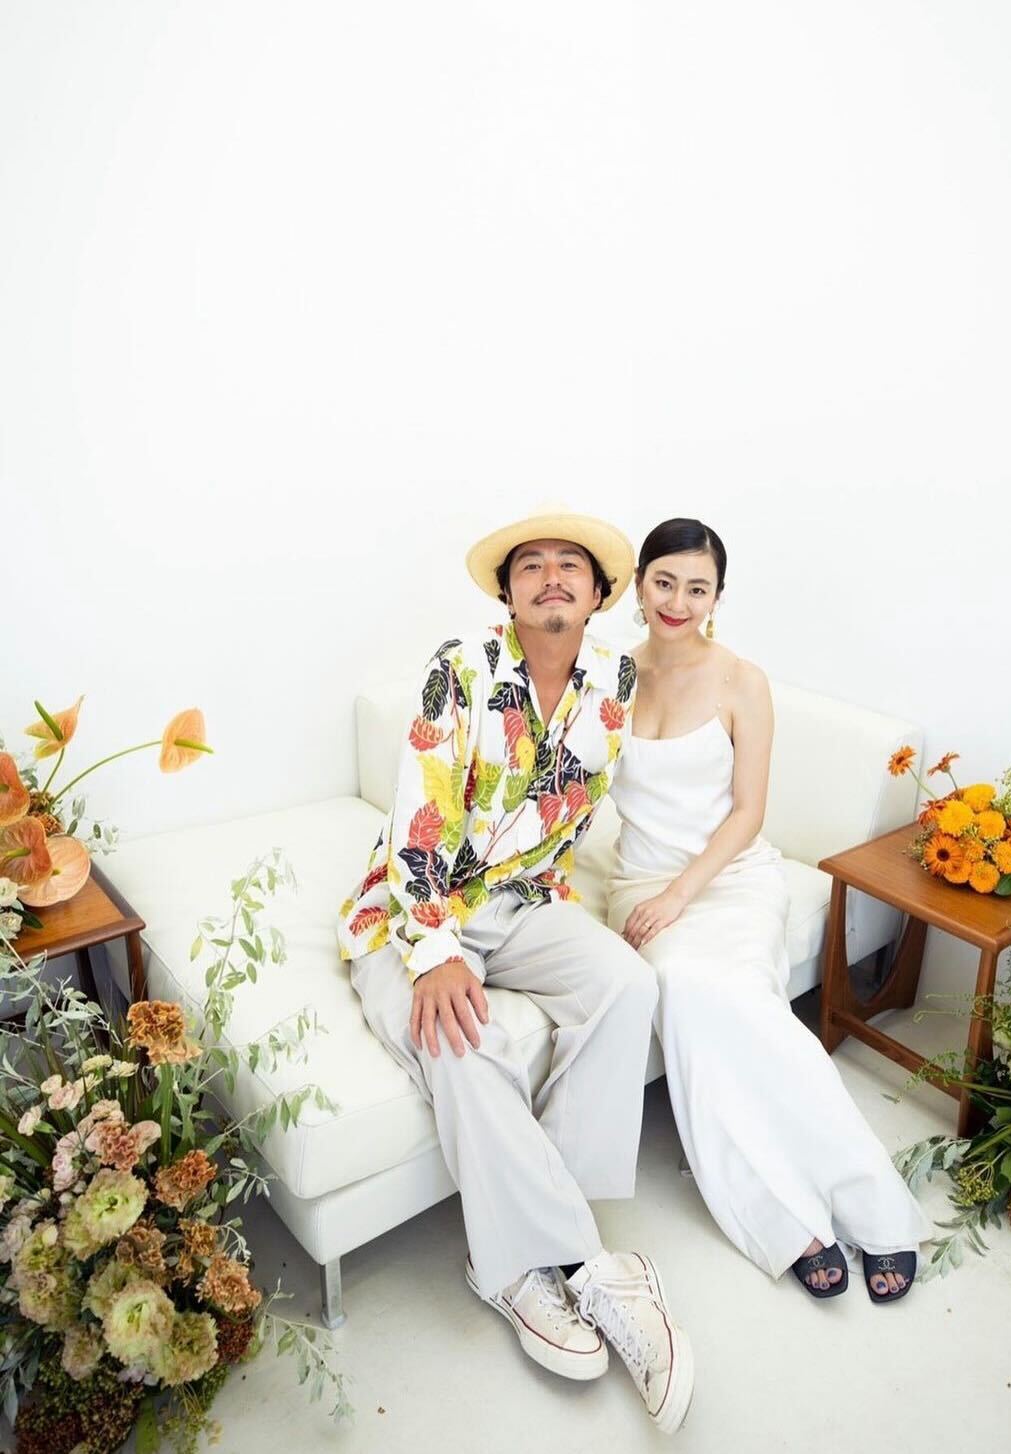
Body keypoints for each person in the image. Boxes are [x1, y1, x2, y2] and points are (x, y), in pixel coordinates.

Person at [338, 506, 694, 1432]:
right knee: (457, 1037)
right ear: (507, 592)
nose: (550, 577)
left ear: (599, 593)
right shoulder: (460, 666)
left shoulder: (615, 680)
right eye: (529, 566)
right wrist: (432, 953)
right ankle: (561, 1269)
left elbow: (576, 811)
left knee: (627, 983)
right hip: (412, 909)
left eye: (570, 565)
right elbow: (416, 816)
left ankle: (537, 1234)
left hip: (526, 900)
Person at [606, 517, 931, 1303]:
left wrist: (682, 894)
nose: (678, 601)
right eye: (664, 582)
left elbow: (749, 811)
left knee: (739, 999)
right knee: (686, 988)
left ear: (717, 598)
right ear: (639, 584)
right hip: (639, 883)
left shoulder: (741, 682)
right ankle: (786, 1221)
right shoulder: (609, 677)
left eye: (698, 588)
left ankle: (871, 1202)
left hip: (729, 877)